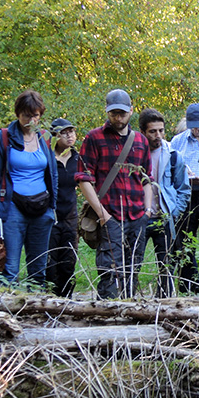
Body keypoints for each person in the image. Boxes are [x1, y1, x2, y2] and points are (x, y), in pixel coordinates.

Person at [0, 90, 58, 285]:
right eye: (26, 115)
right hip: (12, 208)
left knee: (38, 269)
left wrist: (53, 207)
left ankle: (36, 310)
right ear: (18, 113)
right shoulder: (4, 137)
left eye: (35, 115)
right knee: (9, 269)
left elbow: (52, 173)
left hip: (42, 208)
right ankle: (6, 313)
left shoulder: (44, 138)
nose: (30, 120)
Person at [76, 88, 153, 299]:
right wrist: (103, 215)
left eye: (122, 113)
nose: (118, 118)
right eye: (113, 113)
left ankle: (131, 312)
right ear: (107, 112)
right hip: (110, 215)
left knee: (133, 269)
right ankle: (107, 316)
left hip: (137, 215)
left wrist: (147, 211)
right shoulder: (94, 138)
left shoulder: (140, 140)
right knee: (109, 271)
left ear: (131, 110)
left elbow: (147, 179)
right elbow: (83, 178)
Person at [140, 108, 191, 298]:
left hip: (165, 217)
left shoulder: (173, 155)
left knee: (167, 265)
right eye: (153, 131)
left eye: (161, 130)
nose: (158, 135)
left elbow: (183, 188)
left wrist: (175, 212)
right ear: (143, 132)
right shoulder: (135, 154)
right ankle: (131, 300)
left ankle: (166, 304)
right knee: (133, 263)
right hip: (140, 217)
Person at [171, 104, 199, 293]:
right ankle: (189, 285)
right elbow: (169, 166)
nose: (196, 129)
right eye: (193, 125)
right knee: (184, 241)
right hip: (186, 193)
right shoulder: (177, 141)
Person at [46, 118, 80, 297]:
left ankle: (67, 299)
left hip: (70, 217)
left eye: (71, 131)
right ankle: (50, 299)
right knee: (50, 262)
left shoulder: (78, 158)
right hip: (50, 217)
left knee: (68, 262)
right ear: (55, 136)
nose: (69, 135)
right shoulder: (47, 157)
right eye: (63, 132)